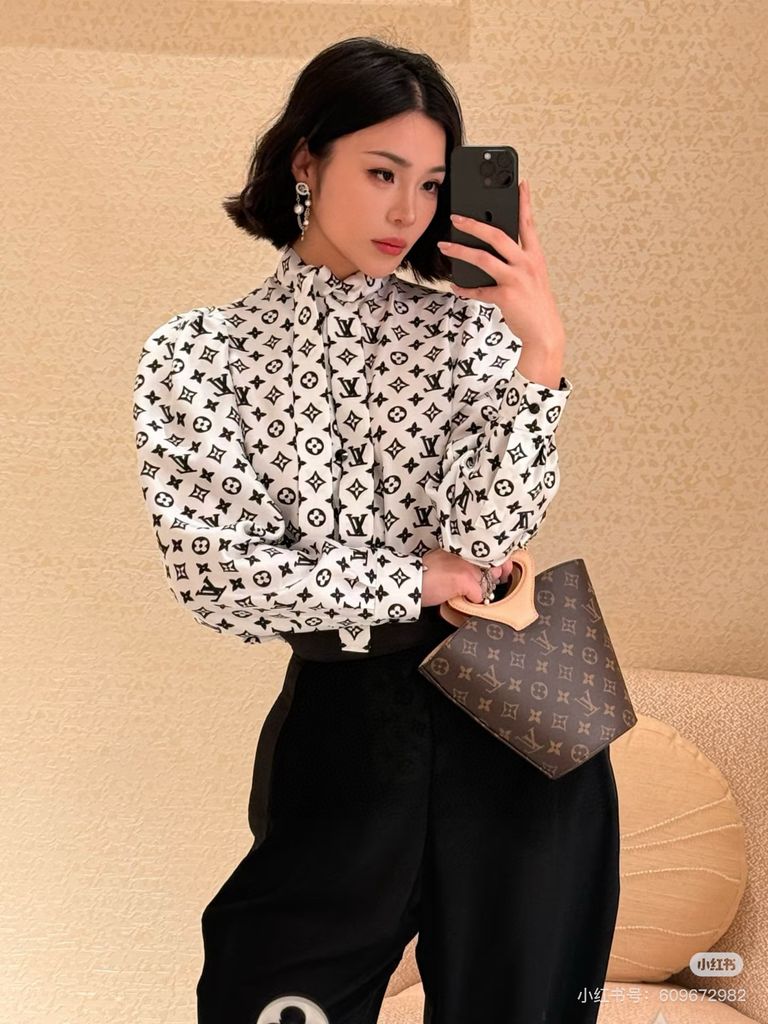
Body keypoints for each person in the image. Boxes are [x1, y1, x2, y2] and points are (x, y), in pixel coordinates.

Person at [132, 34, 620, 1024]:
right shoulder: (198, 357)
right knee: (265, 989)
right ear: (306, 162)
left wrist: (541, 352)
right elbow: (222, 577)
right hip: (347, 715)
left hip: (513, 707)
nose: (408, 211)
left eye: (433, 183)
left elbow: (487, 537)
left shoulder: (474, 336)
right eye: (382, 172)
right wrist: (413, 579)